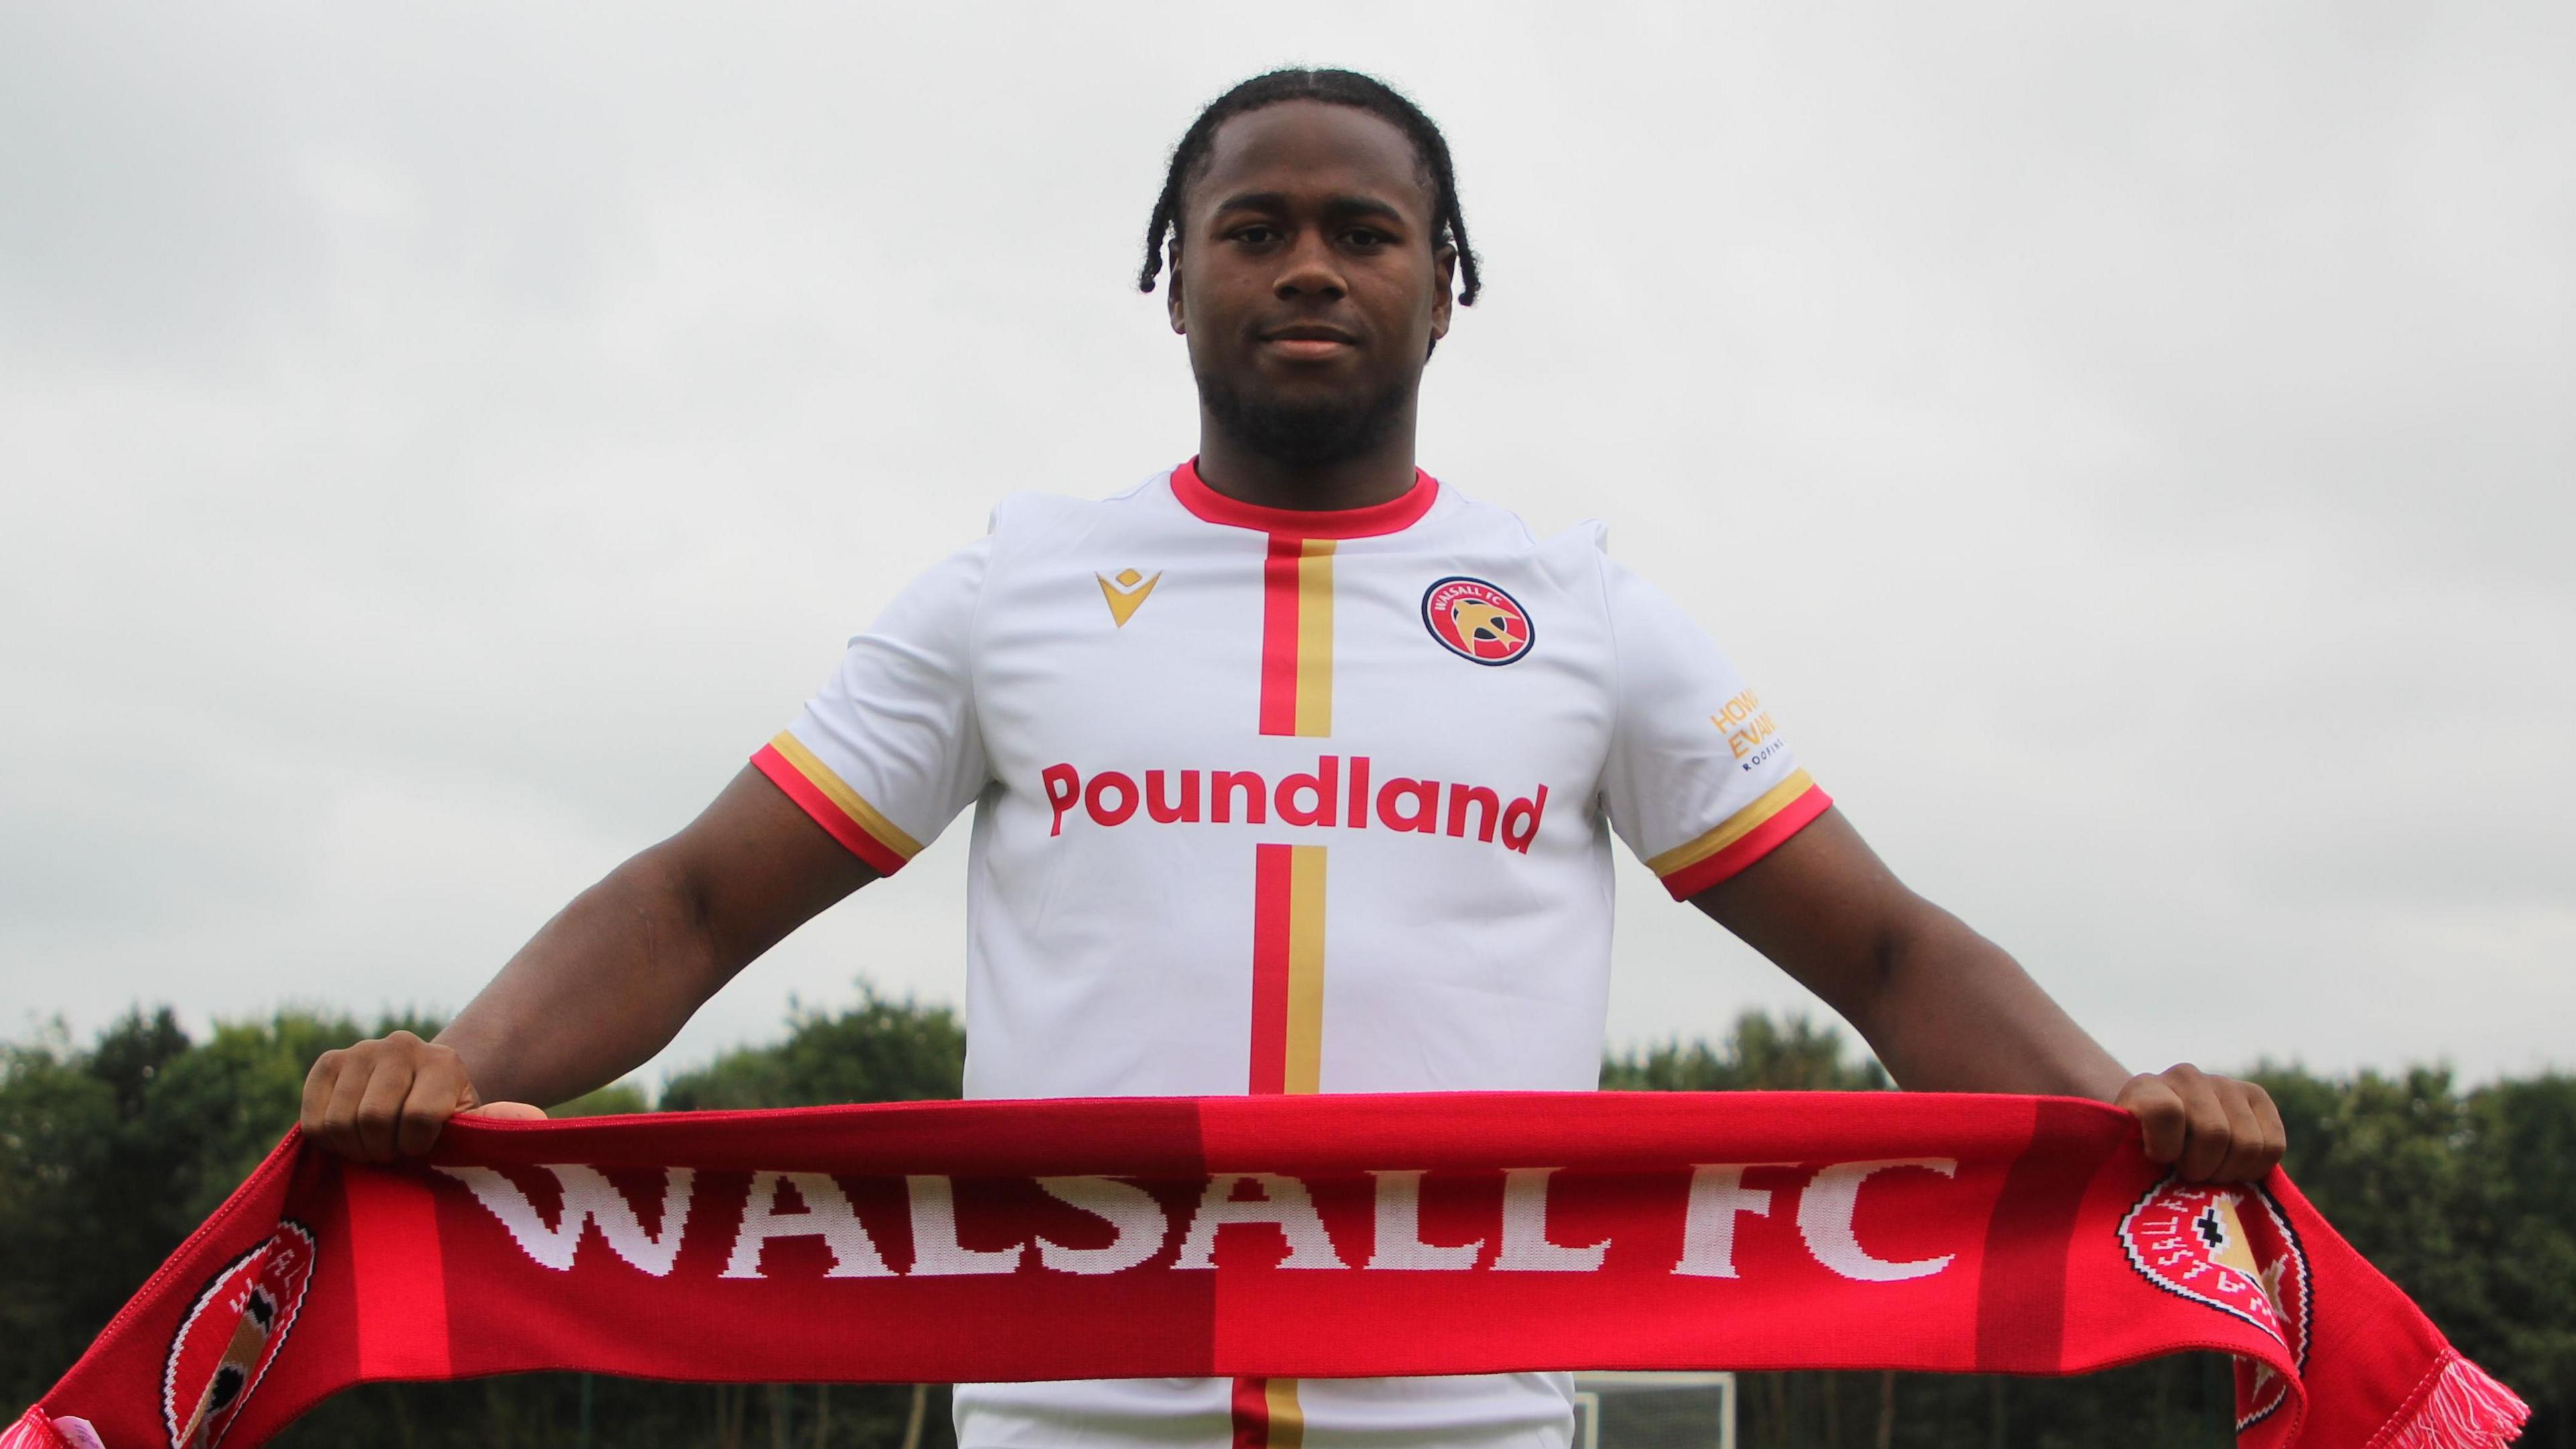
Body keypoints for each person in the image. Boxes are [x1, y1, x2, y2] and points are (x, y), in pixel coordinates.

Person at [303, 68, 2286, 1449]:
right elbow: (698, 894)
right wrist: (459, 1073)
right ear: (1175, 278)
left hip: (1469, 1422)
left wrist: (2129, 1114)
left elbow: (1883, 955)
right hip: (1068, 1418)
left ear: (1449, 280)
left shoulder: (1581, 612)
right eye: (1254, 229)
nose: (1311, 265)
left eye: (1365, 230)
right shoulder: (1018, 586)